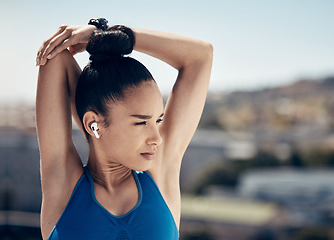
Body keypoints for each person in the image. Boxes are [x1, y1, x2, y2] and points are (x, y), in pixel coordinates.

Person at [36, 18, 213, 240]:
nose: (156, 138)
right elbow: (56, 56)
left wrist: (111, 36)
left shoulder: (160, 174)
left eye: (158, 120)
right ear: (93, 123)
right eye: (140, 122)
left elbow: (201, 56)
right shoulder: (63, 185)